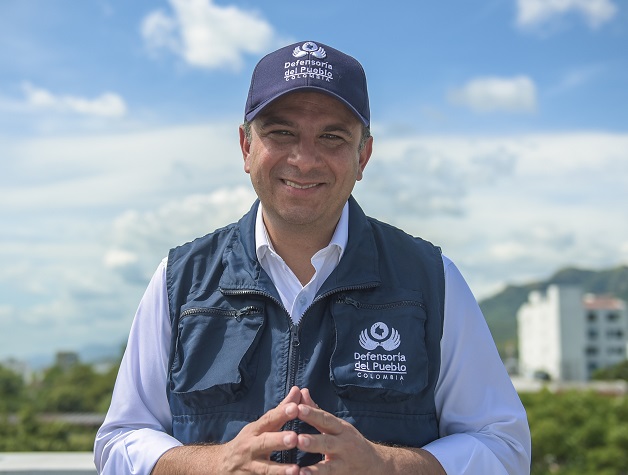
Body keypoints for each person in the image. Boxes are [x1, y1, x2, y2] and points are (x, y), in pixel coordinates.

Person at [94, 40, 531, 474]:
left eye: (332, 137)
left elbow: (504, 449)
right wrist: (215, 464)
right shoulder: (181, 279)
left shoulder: (432, 279)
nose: (304, 160)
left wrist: (387, 467)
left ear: (364, 155)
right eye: (281, 133)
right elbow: (119, 441)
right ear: (246, 148)